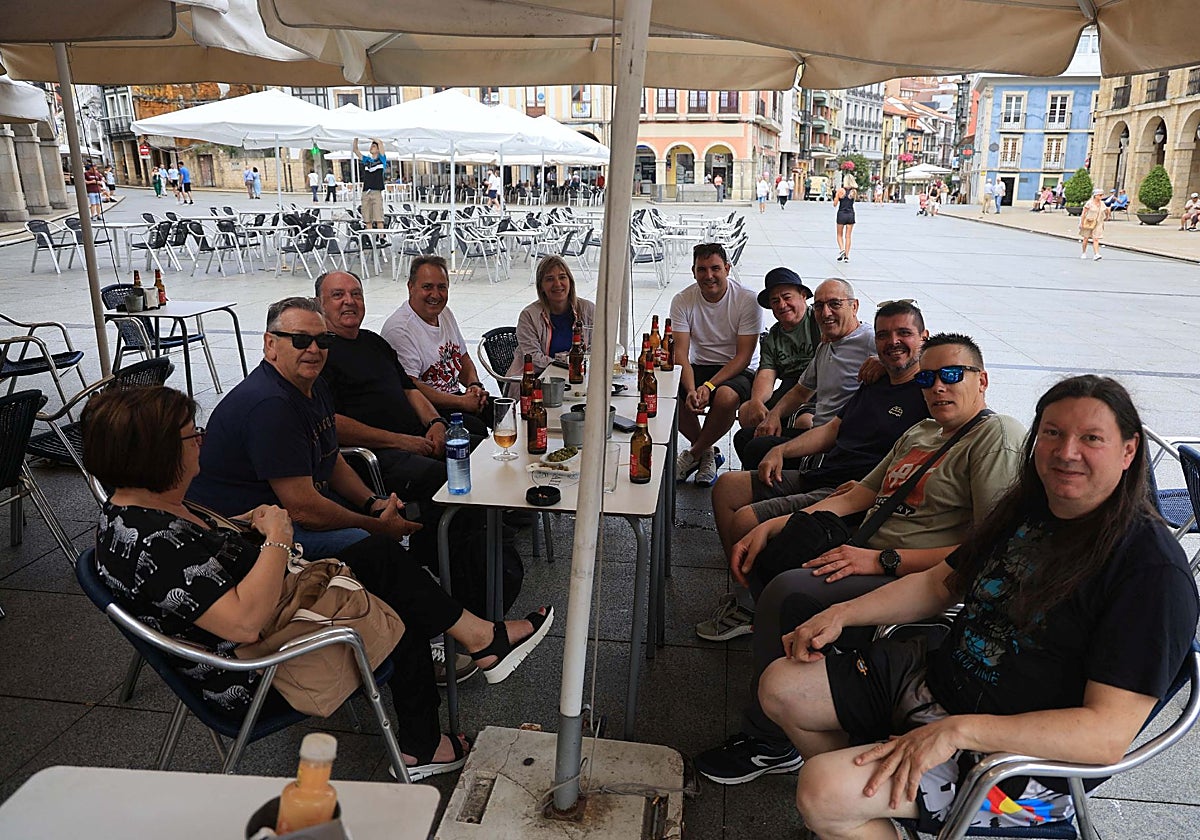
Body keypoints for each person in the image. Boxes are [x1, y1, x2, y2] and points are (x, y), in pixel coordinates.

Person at [757, 375, 1197, 838]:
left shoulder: (1149, 573)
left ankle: (853, 806)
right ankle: (870, 809)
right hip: (941, 683)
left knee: (822, 790)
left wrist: (960, 732)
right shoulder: (1030, 507)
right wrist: (840, 614)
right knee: (782, 686)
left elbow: (1104, 736)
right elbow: (938, 585)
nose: (1067, 452)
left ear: (1128, 452)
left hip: (1027, 770)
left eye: (1091, 438)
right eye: (1052, 433)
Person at [84, 385, 554, 781]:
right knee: (397, 615)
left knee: (375, 560)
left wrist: (247, 522)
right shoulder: (154, 543)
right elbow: (245, 625)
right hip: (253, 673)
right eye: (192, 437)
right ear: (157, 454)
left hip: (265, 621)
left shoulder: (142, 508)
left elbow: (205, 557)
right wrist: (277, 539)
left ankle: (476, 644)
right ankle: (427, 736)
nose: (201, 444)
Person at [695, 334, 1026, 787]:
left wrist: (881, 560)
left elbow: (988, 549)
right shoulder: (921, 432)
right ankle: (805, 681)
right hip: (866, 544)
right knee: (774, 552)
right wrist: (777, 524)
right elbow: (862, 495)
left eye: (952, 375)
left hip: (916, 571)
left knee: (789, 592)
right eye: (928, 378)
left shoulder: (995, 436)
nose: (937, 387)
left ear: (982, 380)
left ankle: (771, 741)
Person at [699, 301, 931, 645]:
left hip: (851, 492)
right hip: (822, 472)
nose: (892, 342)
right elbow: (834, 429)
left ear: (924, 338)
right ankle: (746, 593)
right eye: (884, 335)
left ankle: (751, 611)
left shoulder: (929, 392)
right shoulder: (874, 380)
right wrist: (781, 449)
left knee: (746, 519)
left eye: (904, 334)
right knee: (726, 487)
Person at [187, 297, 423, 560]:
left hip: (292, 510)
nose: (314, 349)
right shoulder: (271, 405)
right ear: (270, 344)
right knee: (372, 547)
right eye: (301, 340)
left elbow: (331, 458)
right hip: (244, 530)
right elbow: (304, 510)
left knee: (410, 508)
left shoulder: (314, 385)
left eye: (323, 341)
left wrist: (372, 503)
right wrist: (376, 526)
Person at [742, 278, 876, 472]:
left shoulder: (869, 340)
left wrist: (883, 361)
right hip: (817, 433)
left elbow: (915, 355)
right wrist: (774, 415)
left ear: (854, 306)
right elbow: (800, 391)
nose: (826, 313)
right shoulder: (825, 344)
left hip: (838, 443)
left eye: (834, 304)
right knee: (747, 436)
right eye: (820, 306)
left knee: (758, 448)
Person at [672, 243, 763, 487]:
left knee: (724, 396)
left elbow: (744, 356)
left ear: (727, 269)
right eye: (702, 270)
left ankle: (694, 453)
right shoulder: (682, 300)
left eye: (715, 268)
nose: (709, 276)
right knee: (666, 392)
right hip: (700, 363)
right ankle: (708, 452)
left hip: (739, 368)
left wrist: (709, 386)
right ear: (693, 272)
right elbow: (680, 352)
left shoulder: (747, 299)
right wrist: (691, 389)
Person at [382, 255, 492, 436]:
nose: (435, 294)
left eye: (442, 287)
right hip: (428, 411)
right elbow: (411, 387)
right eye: (427, 287)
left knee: (508, 411)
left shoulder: (445, 313)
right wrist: (463, 403)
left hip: (456, 397)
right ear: (410, 287)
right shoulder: (400, 329)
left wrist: (474, 385)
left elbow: (463, 357)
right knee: (477, 430)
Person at [732, 268, 819, 467]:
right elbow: (766, 374)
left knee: (805, 422)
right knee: (747, 411)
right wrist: (756, 401)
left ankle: (799, 471)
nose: (782, 305)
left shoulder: (817, 320)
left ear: (803, 295)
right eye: (775, 301)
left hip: (817, 388)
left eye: (787, 297)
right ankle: (758, 469)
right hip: (789, 388)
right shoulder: (774, 336)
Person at [504, 256, 596, 386]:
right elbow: (534, 358)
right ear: (541, 286)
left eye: (562, 277)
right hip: (535, 383)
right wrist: (568, 363)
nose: (557, 284)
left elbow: (597, 349)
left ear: (570, 281)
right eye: (549, 279)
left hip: (578, 381)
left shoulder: (589, 310)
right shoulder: (528, 316)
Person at [354, 138, 387, 230]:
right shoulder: (367, 160)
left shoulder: (381, 159)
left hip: (376, 191)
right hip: (366, 191)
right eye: (371, 146)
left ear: (378, 149)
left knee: (378, 217)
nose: (371, 147)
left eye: (374, 146)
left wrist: (368, 136)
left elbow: (380, 142)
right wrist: (356, 138)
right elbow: (356, 150)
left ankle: (381, 238)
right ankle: (370, 237)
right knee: (367, 218)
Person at [1079, 188, 1109, 261]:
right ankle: (1084, 252)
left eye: (1102, 195)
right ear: (1095, 195)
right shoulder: (1089, 203)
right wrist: (1081, 223)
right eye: (1100, 195)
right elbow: (1084, 213)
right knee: (1086, 238)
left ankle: (1096, 254)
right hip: (1089, 222)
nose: (1101, 196)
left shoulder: (1102, 203)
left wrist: (1107, 216)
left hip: (1098, 223)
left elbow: (1106, 210)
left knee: (1096, 239)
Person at [836, 183, 857, 262]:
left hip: (841, 214)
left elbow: (835, 203)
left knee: (839, 235)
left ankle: (842, 250)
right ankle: (846, 256)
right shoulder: (854, 191)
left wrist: (837, 197)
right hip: (851, 214)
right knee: (848, 236)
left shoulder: (841, 190)